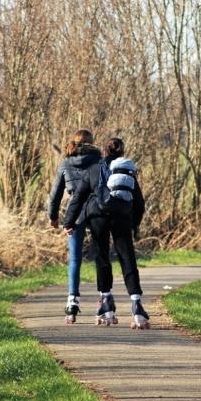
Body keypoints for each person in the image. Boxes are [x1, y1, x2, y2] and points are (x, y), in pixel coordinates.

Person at [63, 137, 149, 329]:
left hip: (97, 216)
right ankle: (137, 306)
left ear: (104, 152)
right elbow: (139, 203)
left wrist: (69, 222)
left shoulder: (94, 169)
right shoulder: (127, 172)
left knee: (102, 257)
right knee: (127, 257)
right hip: (122, 217)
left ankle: (106, 303)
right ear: (122, 153)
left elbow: (78, 198)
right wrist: (134, 224)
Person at [47, 129, 101, 323]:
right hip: (97, 210)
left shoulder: (65, 163)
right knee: (101, 255)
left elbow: (55, 194)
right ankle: (104, 298)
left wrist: (53, 216)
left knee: (75, 259)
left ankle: (72, 301)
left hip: (75, 212)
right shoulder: (99, 162)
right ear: (92, 143)